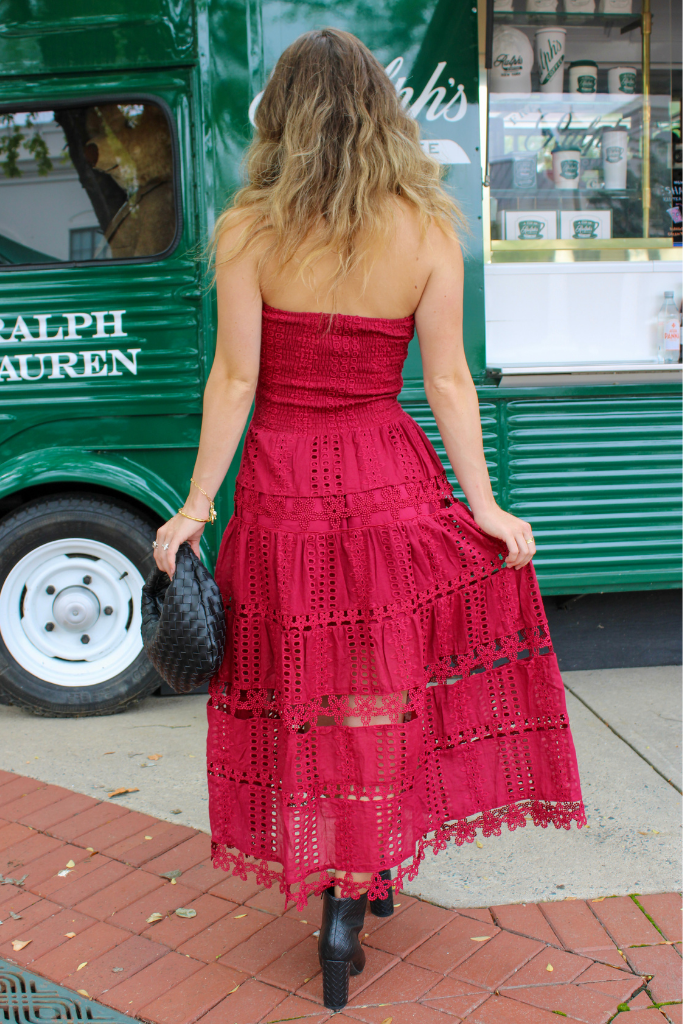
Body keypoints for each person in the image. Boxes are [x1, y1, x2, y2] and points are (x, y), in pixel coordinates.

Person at [153, 27, 585, 1012]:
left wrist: (194, 504)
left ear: (280, 119)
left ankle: (339, 886)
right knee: (381, 680)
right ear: (384, 116)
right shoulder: (428, 229)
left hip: (280, 489)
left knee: (308, 684)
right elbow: (444, 380)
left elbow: (234, 377)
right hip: (389, 477)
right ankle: (365, 872)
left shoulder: (248, 230)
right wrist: (482, 506)